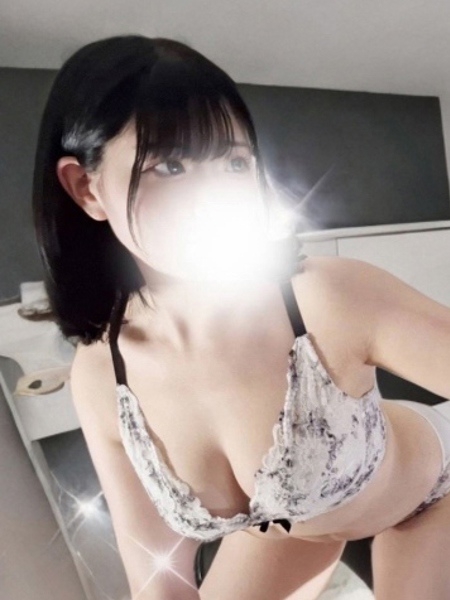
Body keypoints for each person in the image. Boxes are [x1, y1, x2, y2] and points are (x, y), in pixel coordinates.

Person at [32, 34, 450, 600]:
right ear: (86, 188)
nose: (216, 195)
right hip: (288, 529)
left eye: (234, 161)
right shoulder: (103, 373)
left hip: (431, 493)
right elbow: (157, 578)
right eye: (170, 165)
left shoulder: (325, 297)